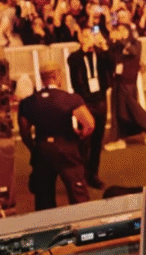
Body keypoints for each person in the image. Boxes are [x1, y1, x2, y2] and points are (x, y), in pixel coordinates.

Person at [17, 62, 95, 211]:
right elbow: (89, 125)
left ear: (42, 78)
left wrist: (34, 148)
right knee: (79, 197)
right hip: (67, 149)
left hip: (43, 150)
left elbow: (24, 132)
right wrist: (79, 137)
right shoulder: (71, 99)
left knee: (44, 200)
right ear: (57, 76)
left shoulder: (28, 102)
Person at [67, 27, 114, 189]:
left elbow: (112, 63)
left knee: (97, 141)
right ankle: (81, 174)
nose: (89, 38)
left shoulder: (100, 54)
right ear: (80, 38)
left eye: (91, 35)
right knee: (83, 141)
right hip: (84, 102)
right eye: (86, 36)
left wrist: (104, 45)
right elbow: (73, 69)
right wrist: (84, 50)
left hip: (100, 100)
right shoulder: (75, 57)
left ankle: (93, 174)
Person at [104, 23, 146, 151]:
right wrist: (107, 43)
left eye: (123, 29)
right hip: (118, 81)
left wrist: (121, 41)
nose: (120, 32)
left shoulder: (136, 43)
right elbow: (111, 59)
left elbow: (134, 52)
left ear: (129, 31)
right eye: (119, 29)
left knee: (131, 108)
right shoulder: (117, 45)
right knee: (118, 111)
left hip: (128, 82)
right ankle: (119, 138)